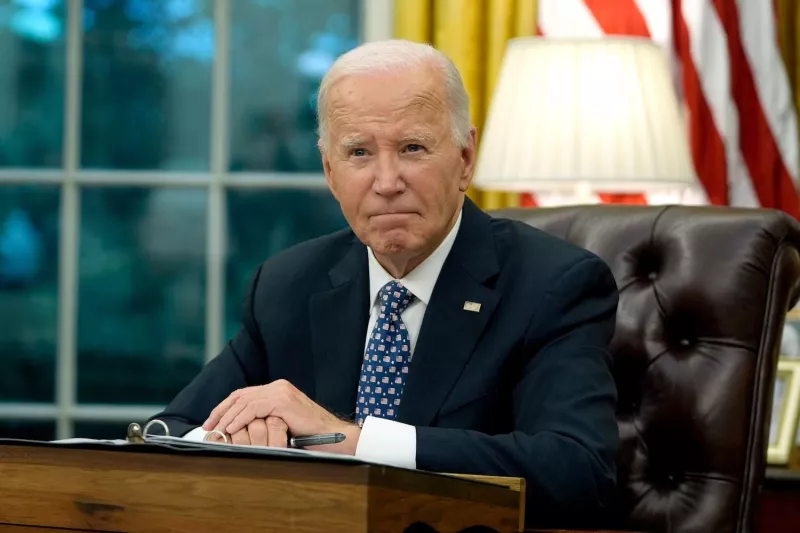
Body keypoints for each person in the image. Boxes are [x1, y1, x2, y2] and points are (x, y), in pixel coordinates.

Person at [150, 39, 620, 529]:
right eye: (359, 152)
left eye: (412, 148)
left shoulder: (553, 284)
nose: (387, 181)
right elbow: (171, 432)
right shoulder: (289, 283)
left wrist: (350, 442)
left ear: (465, 158)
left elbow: (578, 472)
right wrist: (246, 436)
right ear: (331, 173)